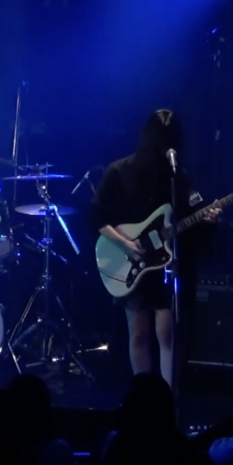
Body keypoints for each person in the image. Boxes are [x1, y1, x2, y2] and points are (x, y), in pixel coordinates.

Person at [91, 110, 219, 387]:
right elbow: (97, 217)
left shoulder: (179, 178)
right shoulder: (118, 171)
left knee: (166, 333)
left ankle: (167, 396)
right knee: (138, 333)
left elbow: (193, 214)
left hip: (165, 266)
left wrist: (207, 218)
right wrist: (126, 243)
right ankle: (143, 394)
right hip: (131, 261)